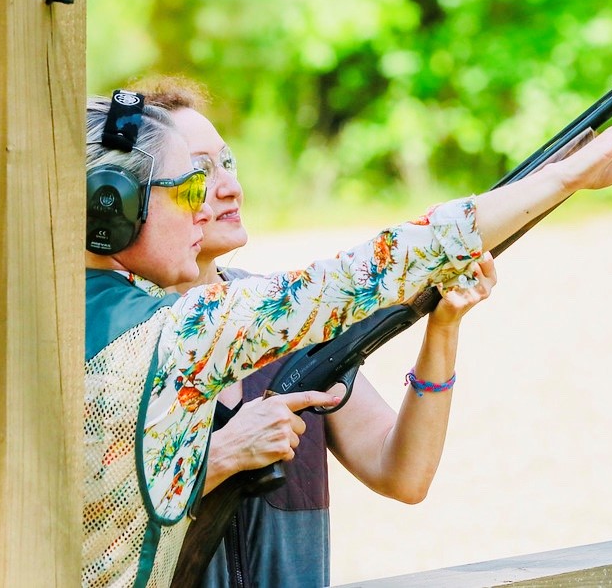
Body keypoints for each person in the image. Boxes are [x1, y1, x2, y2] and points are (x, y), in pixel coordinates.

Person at [0, 86, 612, 588]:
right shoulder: (188, 331)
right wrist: (567, 177)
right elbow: (385, 262)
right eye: (189, 189)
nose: (211, 204)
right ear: (113, 208)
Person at [135, 76, 496, 588]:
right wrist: (221, 454)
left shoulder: (288, 317)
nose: (230, 186)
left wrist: (443, 328)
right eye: (199, 172)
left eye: (228, 162)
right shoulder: (122, 340)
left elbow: (403, 474)